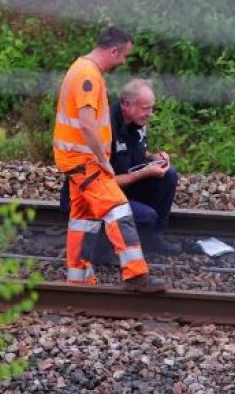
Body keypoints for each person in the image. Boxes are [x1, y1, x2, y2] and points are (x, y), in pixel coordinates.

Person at [52, 26, 167, 293]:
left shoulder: (83, 70)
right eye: (124, 55)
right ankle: (136, 275)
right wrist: (104, 160)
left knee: (83, 219)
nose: (123, 61)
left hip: (76, 159)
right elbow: (88, 125)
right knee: (118, 209)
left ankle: (78, 279)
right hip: (85, 160)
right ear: (113, 51)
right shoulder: (87, 76)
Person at [109, 79, 181, 255]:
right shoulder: (106, 127)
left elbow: (137, 152)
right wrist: (145, 172)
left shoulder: (137, 121)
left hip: (127, 185)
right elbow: (104, 183)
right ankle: (113, 247)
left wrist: (153, 158)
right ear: (127, 105)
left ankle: (153, 240)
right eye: (145, 108)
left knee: (169, 175)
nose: (150, 114)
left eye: (151, 108)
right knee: (147, 216)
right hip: (107, 195)